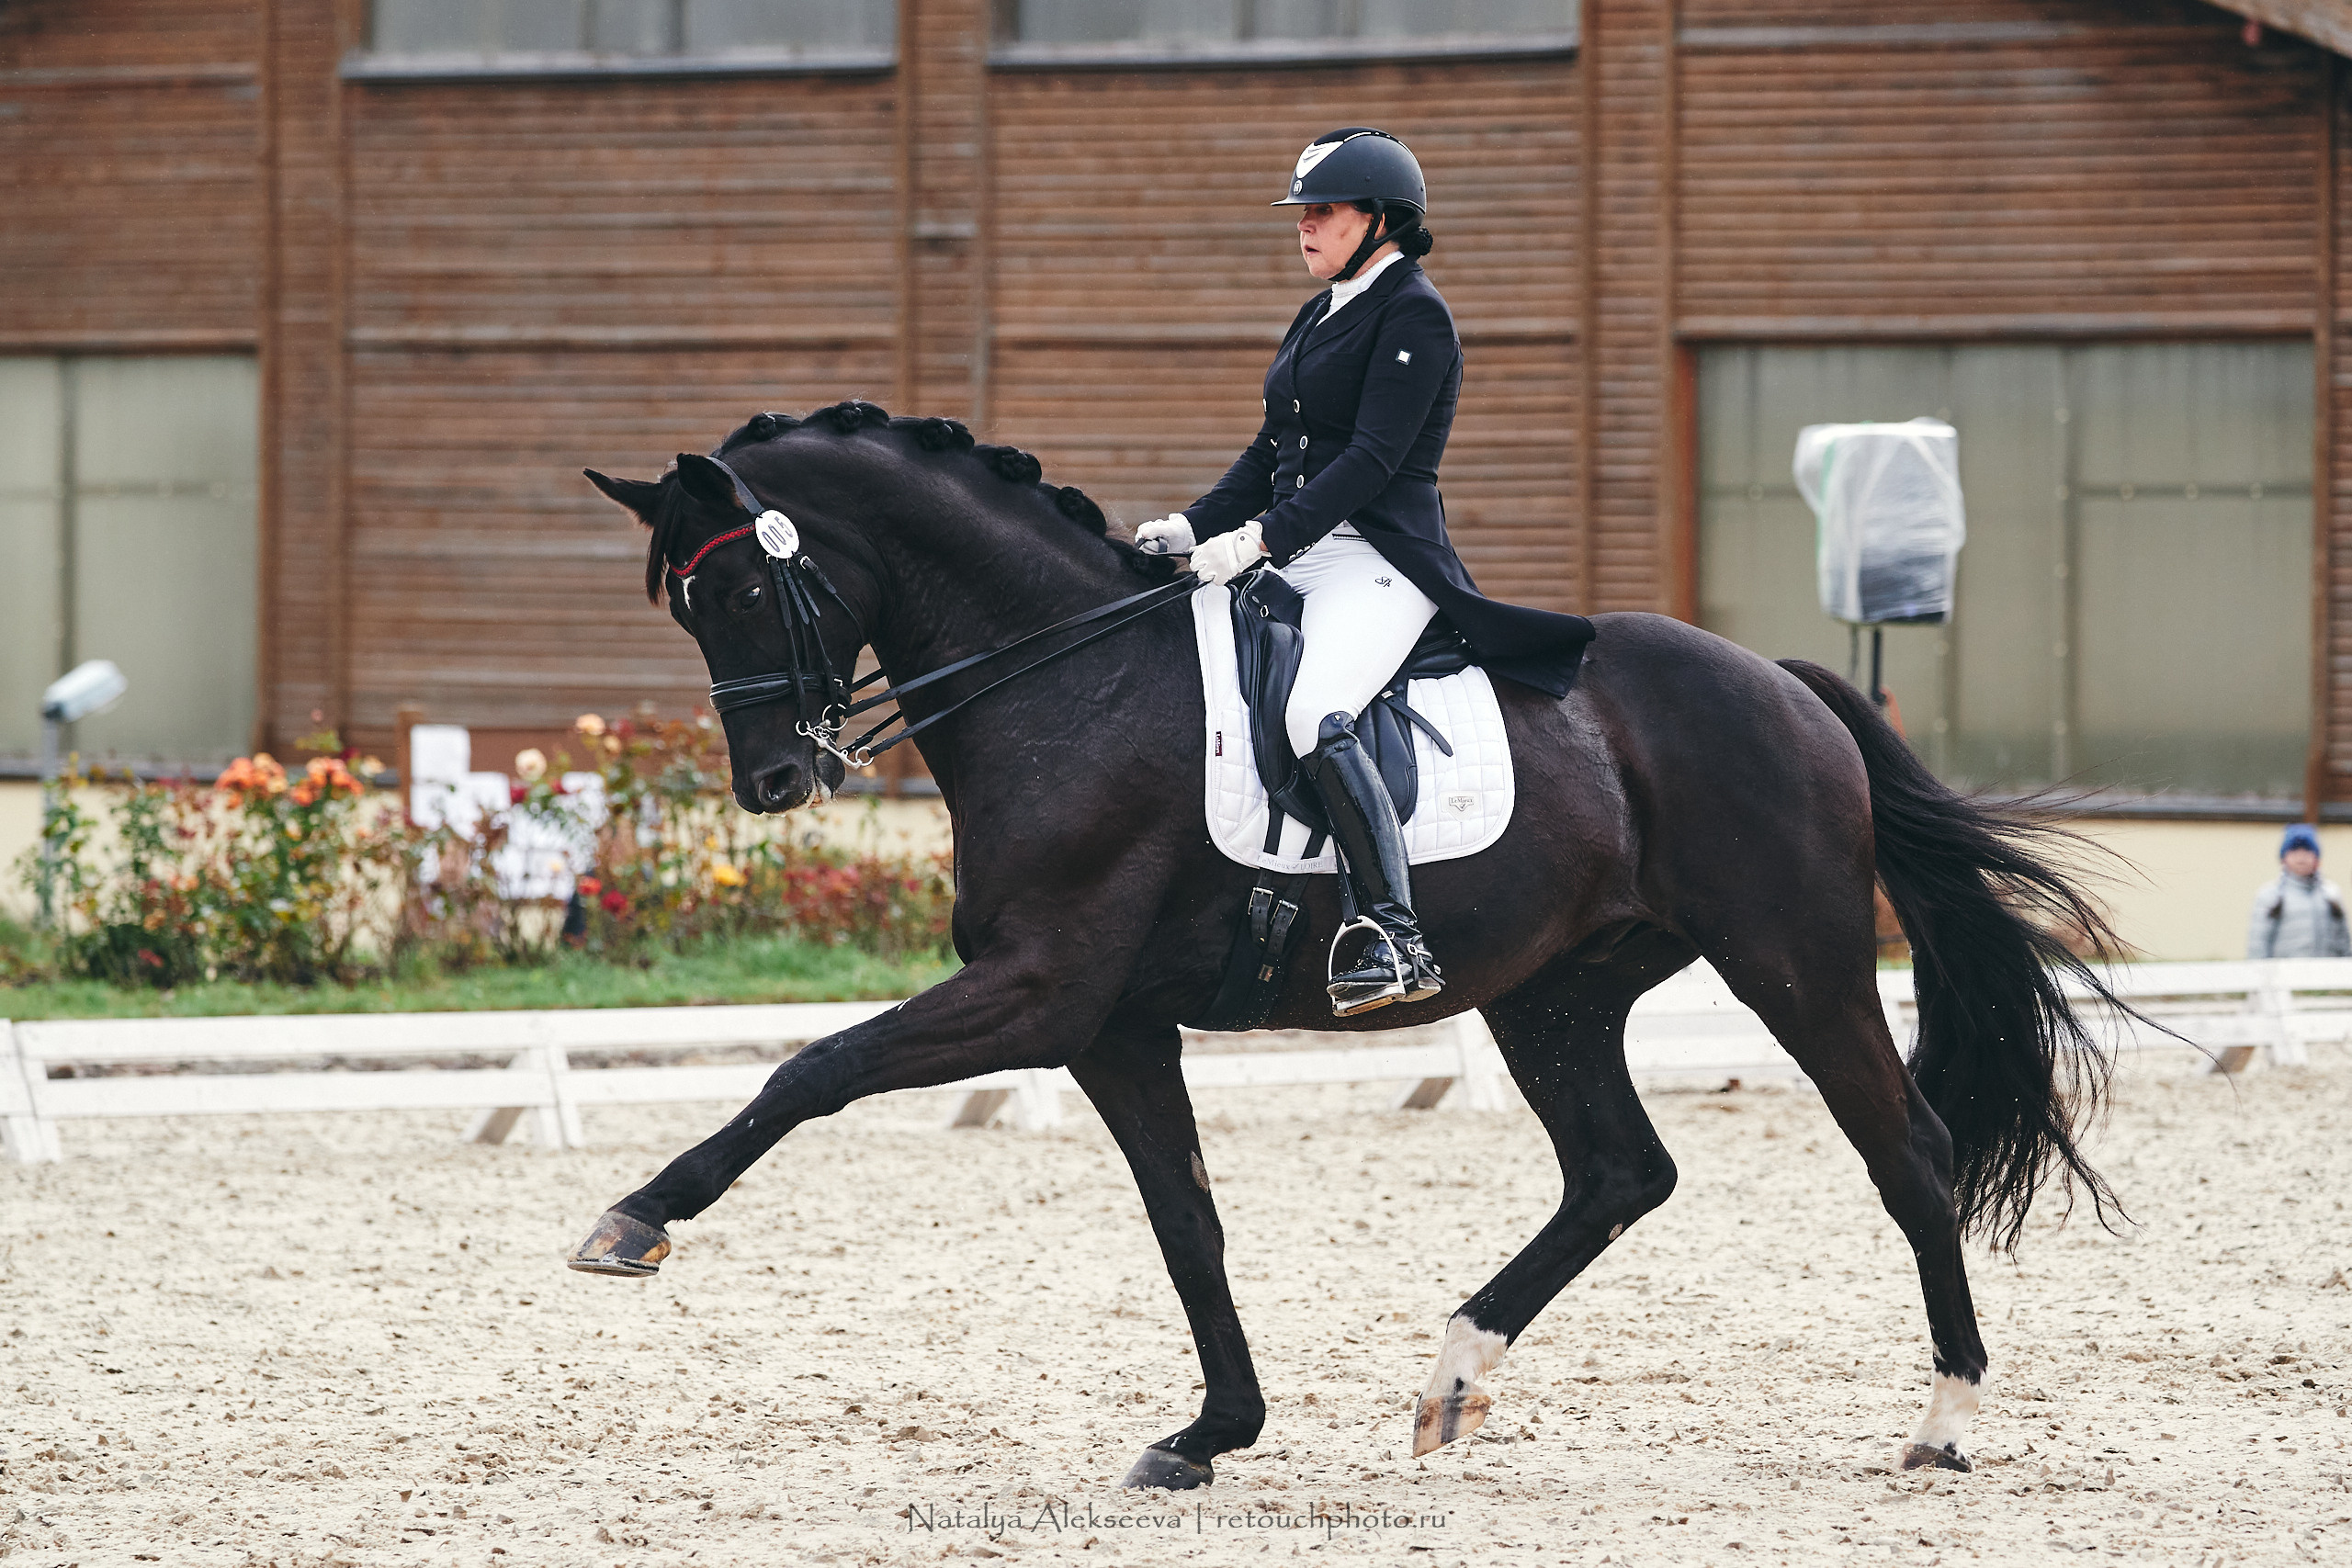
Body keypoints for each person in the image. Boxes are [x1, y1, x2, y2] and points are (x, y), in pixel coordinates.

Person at [1135, 128, 1595, 1017]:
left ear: (1381, 219)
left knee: (1314, 711)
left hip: (1378, 561)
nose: (1304, 225)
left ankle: (1393, 931)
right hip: (1299, 551)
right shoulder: (1322, 310)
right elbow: (1271, 451)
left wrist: (1258, 541)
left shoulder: (1414, 313)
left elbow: (1372, 462)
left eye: (1324, 210)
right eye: (1301, 211)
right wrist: (1193, 524)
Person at [2246, 824, 2351, 959]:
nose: (2301, 857)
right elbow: (2258, 944)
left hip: (2326, 971)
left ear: (2317, 858)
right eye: (2294, 850)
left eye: (2307, 850)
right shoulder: (2271, 896)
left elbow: (2344, 942)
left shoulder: (2331, 895)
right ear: (2283, 858)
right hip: (2283, 971)